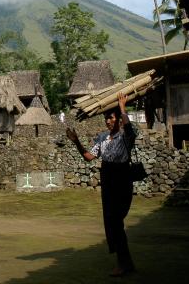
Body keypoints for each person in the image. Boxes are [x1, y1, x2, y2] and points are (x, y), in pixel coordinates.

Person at [66, 92, 136, 277]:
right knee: (112, 223)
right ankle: (125, 262)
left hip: (122, 181)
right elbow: (89, 157)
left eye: (111, 118)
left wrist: (122, 108)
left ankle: (124, 263)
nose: (107, 121)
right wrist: (76, 142)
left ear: (118, 120)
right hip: (108, 183)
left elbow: (129, 129)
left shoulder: (125, 137)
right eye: (106, 118)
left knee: (116, 221)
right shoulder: (102, 138)